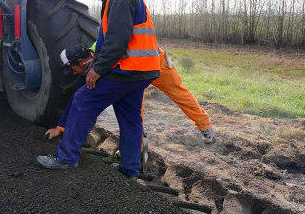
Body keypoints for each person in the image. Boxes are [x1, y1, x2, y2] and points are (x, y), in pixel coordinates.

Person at [37, 0, 160, 178]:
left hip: (127, 69)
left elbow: (117, 39)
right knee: (130, 118)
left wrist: (98, 69)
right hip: (142, 71)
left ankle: (66, 158)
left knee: (84, 100)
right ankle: (130, 169)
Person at [51, 43, 216, 144]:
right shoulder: (89, 66)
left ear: (81, 61)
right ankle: (139, 146)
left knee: (179, 93)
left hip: (156, 62)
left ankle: (205, 125)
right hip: (136, 71)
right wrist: (61, 126)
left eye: (72, 69)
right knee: (135, 108)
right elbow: (78, 95)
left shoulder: (104, 54)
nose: (72, 74)